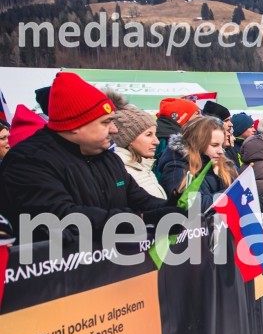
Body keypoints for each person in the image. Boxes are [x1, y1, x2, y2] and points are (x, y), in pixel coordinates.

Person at [0, 72, 172, 241]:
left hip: (113, 265)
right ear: (75, 125)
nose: (114, 129)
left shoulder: (108, 159)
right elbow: (62, 218)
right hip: (54, 266)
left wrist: (174, 209)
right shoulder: (28, 162)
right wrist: (139, 220)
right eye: (106, 122)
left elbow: (140, 199)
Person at [158, 116, 237, 213]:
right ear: (198, 143)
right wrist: (233, 195)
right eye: (214, 145)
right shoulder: (176, 166)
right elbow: (192, 204)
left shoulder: (224, 164)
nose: (221, 151)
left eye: (222, 145)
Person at [109, 92, 167, 199]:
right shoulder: (123, 172)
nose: (157, 141)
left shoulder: (143, 165)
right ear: (129, 138)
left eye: (155, 134)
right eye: (149, 135)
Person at [155, 97, 201, 173]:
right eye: (197, 113)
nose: (201, 117)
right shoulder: (167, 141)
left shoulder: (163, 135)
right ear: (183, 117)